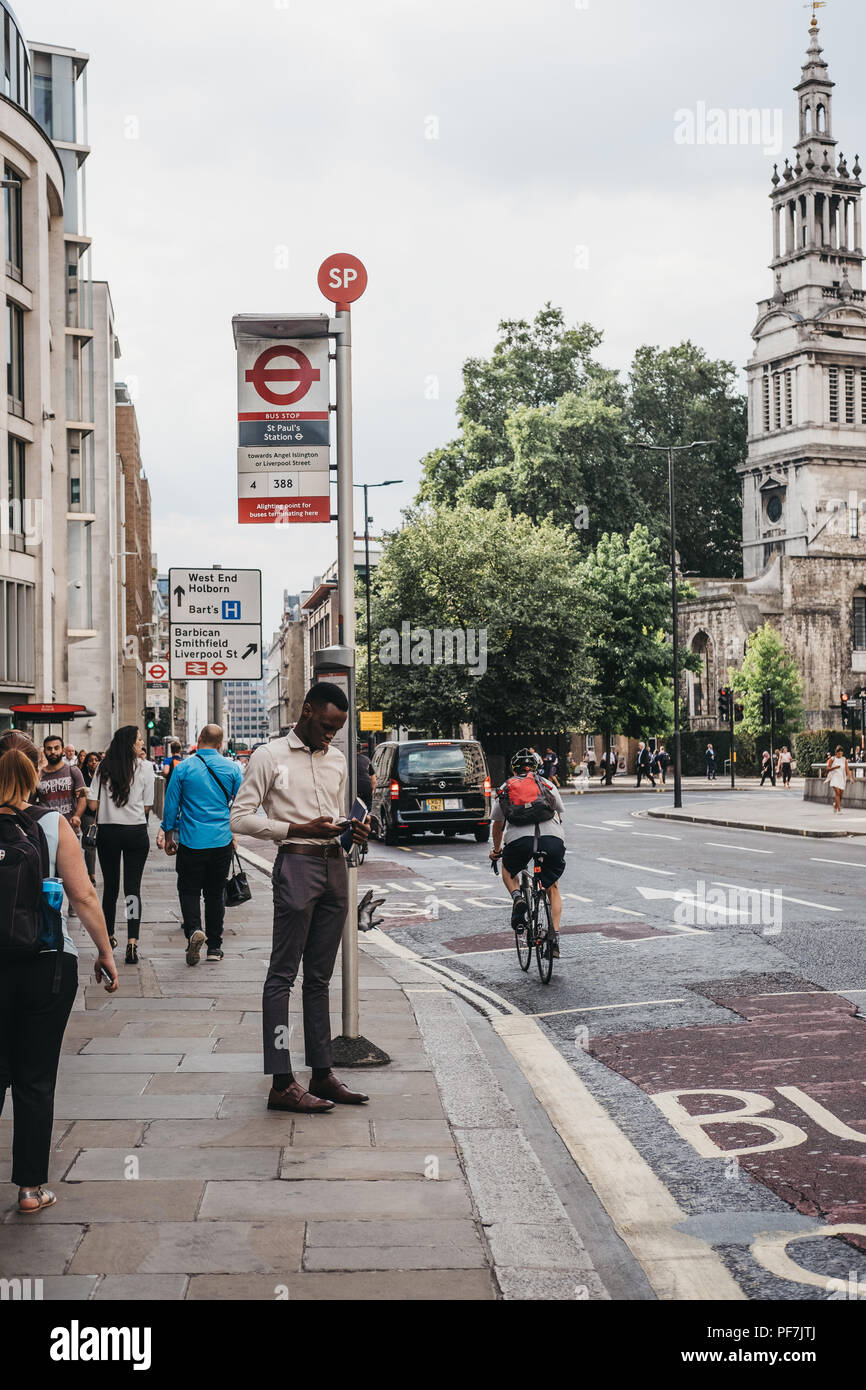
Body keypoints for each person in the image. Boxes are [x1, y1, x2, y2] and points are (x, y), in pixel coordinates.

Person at [230, 683, 370, 1114]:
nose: (331, 736)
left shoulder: (339, 759)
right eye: (326, 726)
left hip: (335, 868)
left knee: (320, 978)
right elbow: (240, 817)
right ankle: (281, 1081)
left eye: (338, 729)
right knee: (282, 975)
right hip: (295, 864)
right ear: (306, 711)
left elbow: (335, 816)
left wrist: (354, 829)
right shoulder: (268, 756)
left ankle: (322, 1074)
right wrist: (295, 830)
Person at [0, 730, 117, 1215]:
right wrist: (106, 951)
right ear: (35, 775)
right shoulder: (51, 824)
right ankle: (30, 1190)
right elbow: (86, 895)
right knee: (34, 1077)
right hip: (46, 962)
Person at [159, 724, 242, 965]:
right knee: (215, 893)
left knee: (189, 890)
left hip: (191, 841)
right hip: (221, 840)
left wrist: (168, 835)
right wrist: (233, 831)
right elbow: (242, 804)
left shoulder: (184, 768)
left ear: (198, 740)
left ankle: (194, 930)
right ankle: (215, 947)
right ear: (220, 743)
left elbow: (171, 806)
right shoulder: (232, 768)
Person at [86, 726, 154, 963]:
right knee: (132, 890)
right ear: (129, 743)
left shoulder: (103, 768)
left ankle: (110, 936)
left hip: (109, 833)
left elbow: (92, 805)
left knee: (111, 888)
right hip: (135, 832)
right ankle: (132, 942)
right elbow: (148, 807)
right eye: (138, 739)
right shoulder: (146, 767)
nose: (141, 743)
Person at [490, 749, 566, 958]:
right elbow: (560, 813)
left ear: (513, 769)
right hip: (551, 841)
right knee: (553, 887)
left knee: (508, 869)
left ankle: (517, 898)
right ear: (537, 767)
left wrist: (497, 851)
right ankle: (554, 938)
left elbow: (497, 825)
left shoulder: (506, 787)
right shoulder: (547, 784)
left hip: (519, 842)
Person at [38, 736, 86, 833]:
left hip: (70, 828)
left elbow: (82, 798)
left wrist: (77, 815)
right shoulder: (38, 775)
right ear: (44, 751)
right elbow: (31, 801)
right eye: (49, 748)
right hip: (46, 829)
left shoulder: (73, 771)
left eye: (56, 748)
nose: (53, 752)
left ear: (63, 750)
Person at [79, 751, 101, 886]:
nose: (94, 762)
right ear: (87, 763)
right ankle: (91, 874)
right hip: (87, 813)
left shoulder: (104, 775)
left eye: (96, 760)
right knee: (90, 843)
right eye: (91, 760)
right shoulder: (82, 776)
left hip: (103, 814)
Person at [826, 745, 853, 814]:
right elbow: (828, 769)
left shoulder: (844, 759)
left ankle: (835, 805)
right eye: (838, 753)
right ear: (836, 753)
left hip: (842, 778)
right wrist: (835, 767)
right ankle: (839, 810)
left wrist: (850, 778)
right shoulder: (832, 759)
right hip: (834, 778)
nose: (840, 755)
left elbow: (847, 769)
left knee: (840, 795)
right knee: (837, 793)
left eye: (841, 753)